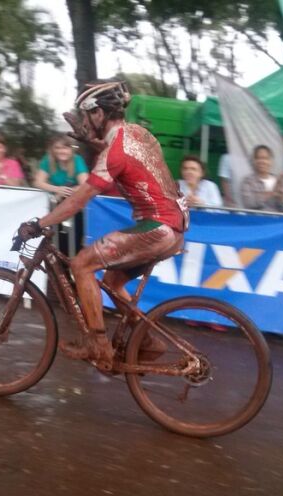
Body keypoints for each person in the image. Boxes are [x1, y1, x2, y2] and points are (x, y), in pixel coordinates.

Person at [17, 80, 188, 371]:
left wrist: (38, 224)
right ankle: (148, 341)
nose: (84, 122)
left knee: (82, 264)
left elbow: (77, 201)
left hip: (157, 226)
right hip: (172, 225)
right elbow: (122, 154)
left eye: (87, 116)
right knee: (112, 282)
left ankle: (98, 345)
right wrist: (92, 141)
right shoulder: (137, 133)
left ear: (99, 114)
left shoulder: (115, 152)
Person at [32, 134, 89, 199]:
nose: (61, 151)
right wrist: (57, 189)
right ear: (52, 150)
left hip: (73, 199)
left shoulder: (77, 160)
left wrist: (64, 192)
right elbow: (38, 182)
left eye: (65, 148)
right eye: (57, 148)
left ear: (71, 150)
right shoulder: (47, 159)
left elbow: (84, 185)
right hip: (54, 197)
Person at [240, 145, 283, 212]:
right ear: (254, 161)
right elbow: (249, 204)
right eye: (258, 158)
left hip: (276, 221)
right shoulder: (248, 181)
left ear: (271, 161)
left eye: (265, 158)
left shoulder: (279, 181)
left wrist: (282, 199)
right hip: (256, 220)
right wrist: (271, 193)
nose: (262, 161)